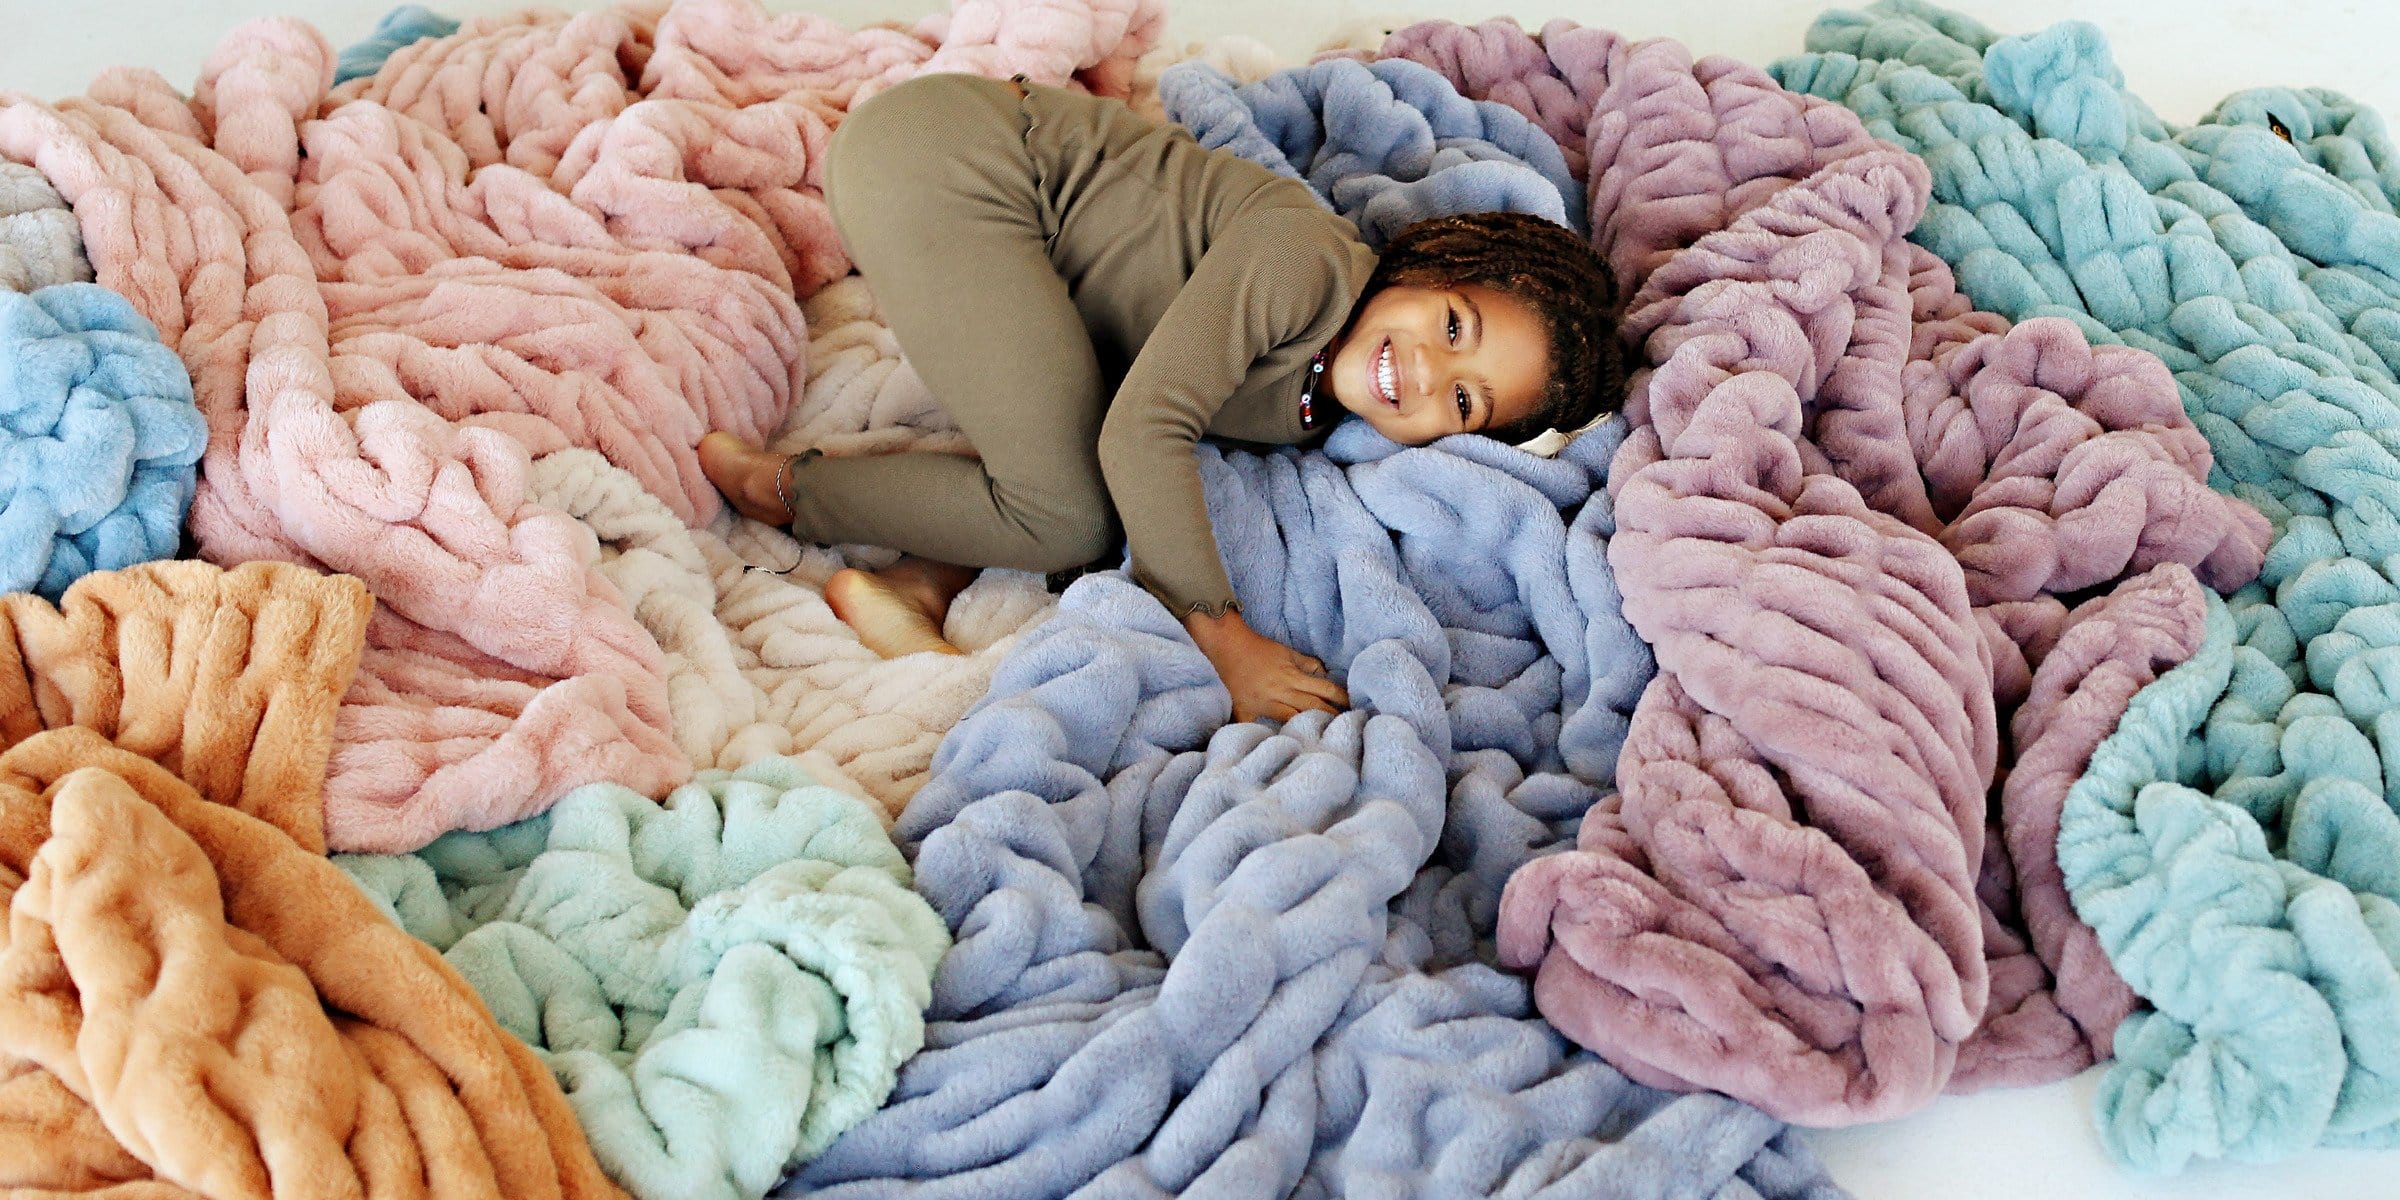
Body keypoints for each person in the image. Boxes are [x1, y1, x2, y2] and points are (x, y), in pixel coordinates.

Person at [699, 71, 1623, 723]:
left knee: (1070, 483)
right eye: (1453, 326)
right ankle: (786, 490)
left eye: (1463, 403)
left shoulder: (1319, 407)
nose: (1424, 371)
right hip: (953, 160)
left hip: (1023, 247)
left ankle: (911, 575)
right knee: (1070, 518)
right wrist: (1225, 639)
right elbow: (1144, 433)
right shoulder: (1304, 267)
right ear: (1429, 263)